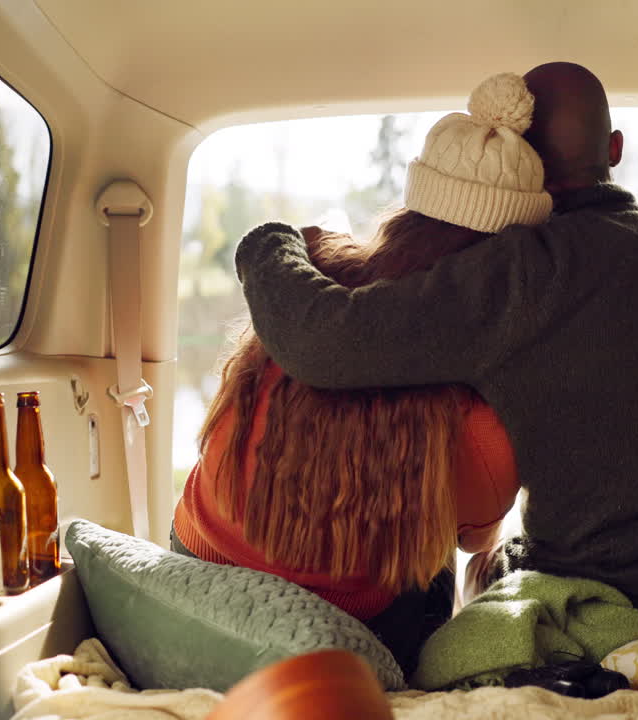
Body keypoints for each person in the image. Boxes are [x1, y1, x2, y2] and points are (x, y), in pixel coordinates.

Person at [233, 62, 638, 619]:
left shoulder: (526, 269)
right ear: (616, 148)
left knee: (453, 564)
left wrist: (271, 242)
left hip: (595, 588)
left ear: (514, 155)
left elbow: (323, 341)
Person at [173, 73, 547, 673]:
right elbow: (476, 540)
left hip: (197, 560)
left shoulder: (306, 286)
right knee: (433, 556)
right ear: (510, 262)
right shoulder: (481, 413)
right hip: (343, 624)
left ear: (408, 212)